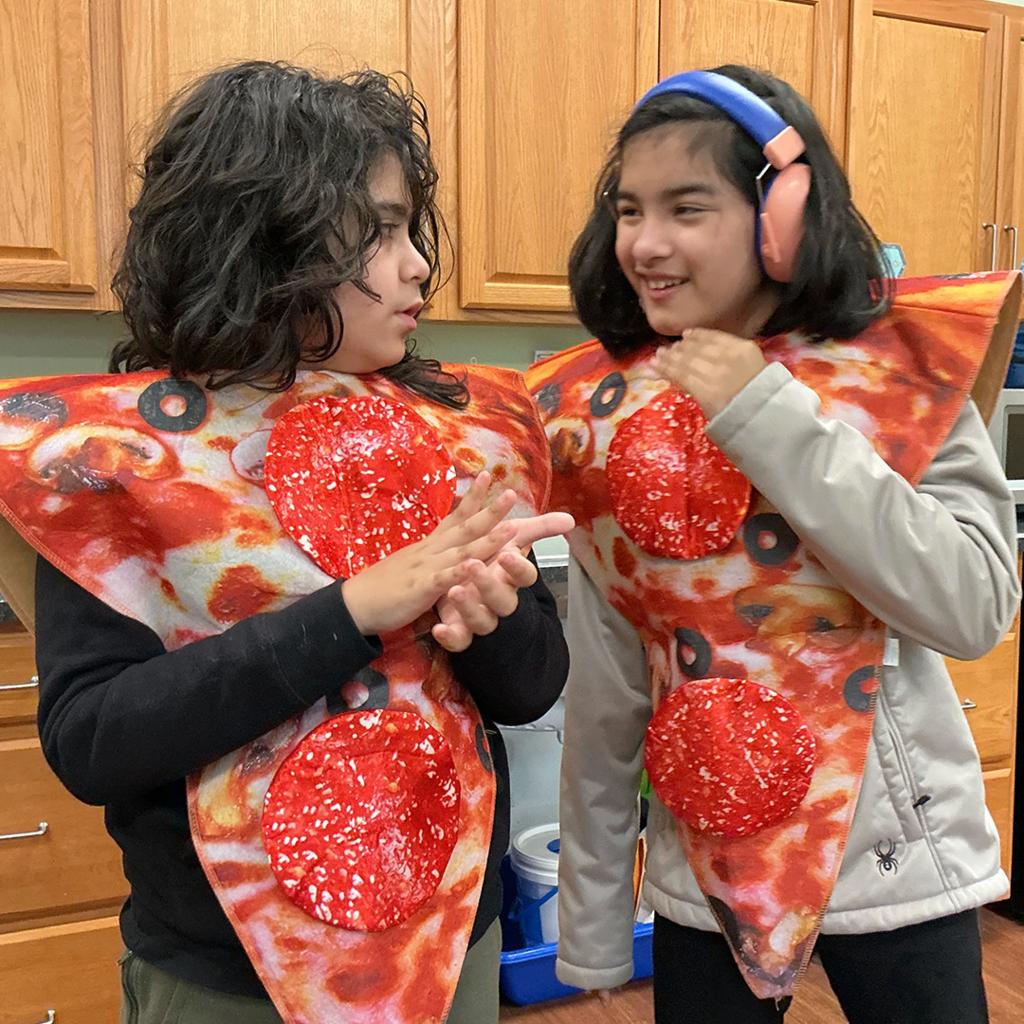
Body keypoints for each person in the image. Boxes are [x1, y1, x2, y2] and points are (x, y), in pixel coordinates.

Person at [0, 62, 572, 1024]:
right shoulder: (125, 460)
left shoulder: (453, 431)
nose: (418, 264)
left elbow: (535, 685)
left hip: (453, 934)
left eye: (408, 228)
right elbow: (93, 741)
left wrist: (496, 625)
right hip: (227, 975)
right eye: (380, 232)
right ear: (266, 241)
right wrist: (352, 612)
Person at [524, 64, 1022, 1024]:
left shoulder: (898, 372)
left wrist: (767, 414)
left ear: (780, 218)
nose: (647, 243)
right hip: (702, 868)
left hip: (899, 860)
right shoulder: (603, 415)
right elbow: (611, 681)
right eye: (630, 210)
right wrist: (590, 919)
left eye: (686, 207)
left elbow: (972, 608)